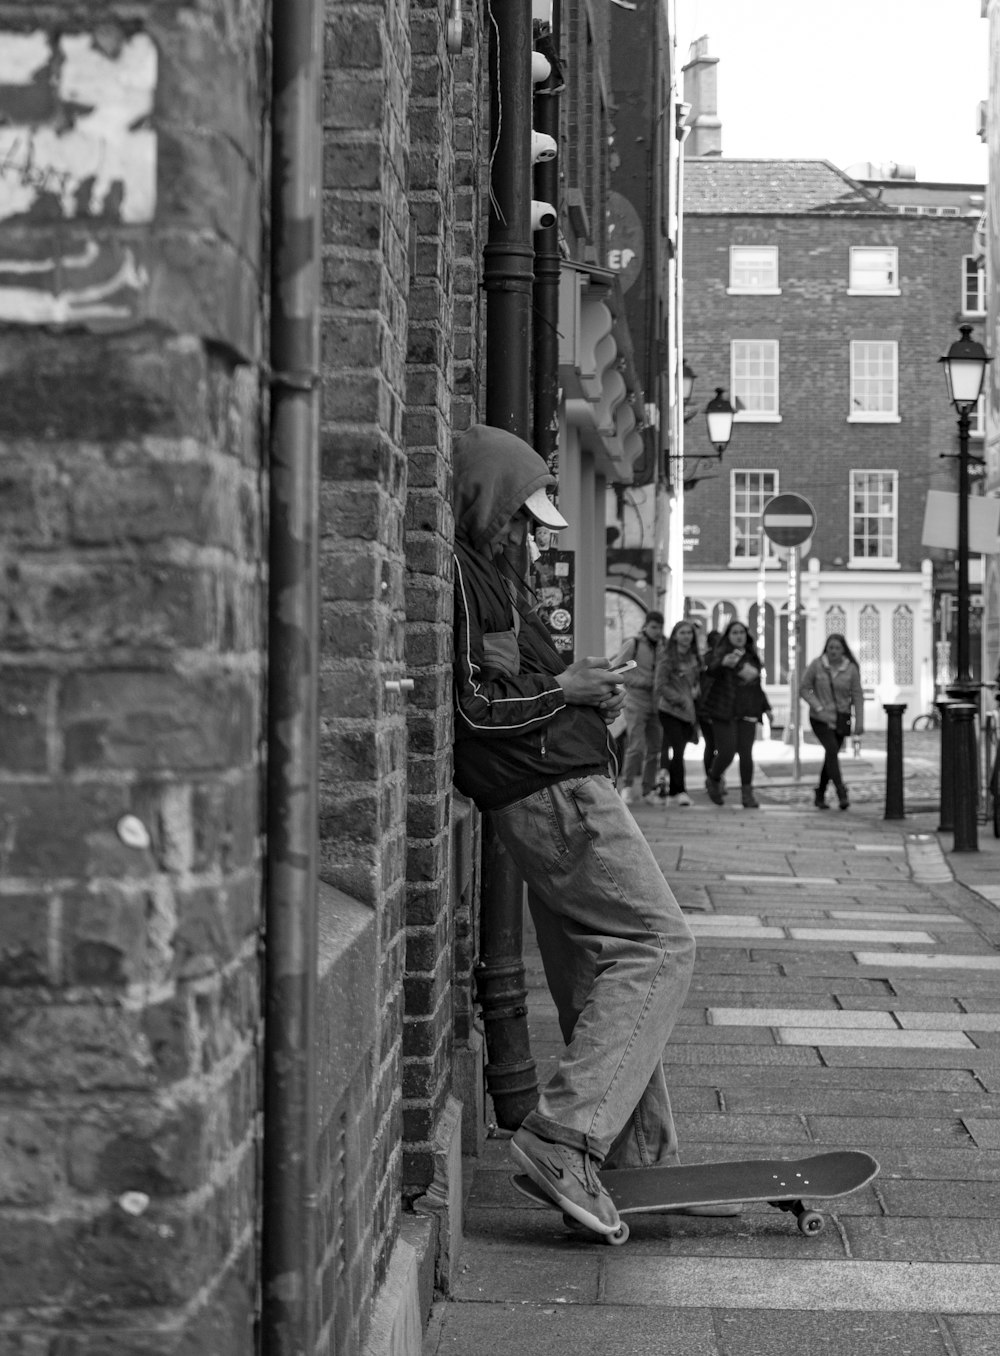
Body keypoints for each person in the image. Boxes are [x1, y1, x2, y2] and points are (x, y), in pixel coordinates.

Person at [451, 423, 709, 1238]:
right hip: (554, 795)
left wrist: (581, 691)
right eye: (522, 518)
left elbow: (515, 688)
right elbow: (470, 712)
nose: (532, 535)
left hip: (554, 786)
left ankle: (634, 1164)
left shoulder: (491, 576)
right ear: (486, 500)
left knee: (604, 964)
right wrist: (565, 688)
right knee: (660, 945)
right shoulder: (461, 579)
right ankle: (567, 1135)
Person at [701, 619, 771, 809]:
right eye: (734, 632)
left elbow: (757, 686)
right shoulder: (720, 654)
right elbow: (710, 672)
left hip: (747, 709)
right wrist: (723, 663)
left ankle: (747, 794)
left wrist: (767, 708)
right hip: (723, 709)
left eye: (741, 632)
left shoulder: (751, 656)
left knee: (747, 753)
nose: (739, 636)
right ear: (728, 636)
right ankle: (713, 778)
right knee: (727, 751)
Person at [799, 634, 865, 810]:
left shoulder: (850, 669)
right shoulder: (817, 665)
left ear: (843, 650)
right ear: (826, 649)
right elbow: (804, 688)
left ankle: (820, 794)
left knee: (831, 755)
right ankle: (841, 791)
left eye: (837, 648)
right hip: (819, 718)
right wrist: (818, 706)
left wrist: (859, 720)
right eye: (830, 647)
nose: (833, 651)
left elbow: (857, 695)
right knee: (831, 750)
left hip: (841, 720)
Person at [611, 610, 665, 806]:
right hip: (636, 702)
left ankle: (648, 789)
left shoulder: (663, 646)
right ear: (646, 626)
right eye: (654, 627)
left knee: (655, 748)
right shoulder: (633, 644)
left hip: (657, 704)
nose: (657, 631)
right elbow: (618, 669)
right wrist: (644, 681)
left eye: (660, 627)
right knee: (636, 746)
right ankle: (626, 787)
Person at [653, 620, 701, 806]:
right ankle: (680, 791)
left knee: (680, 750)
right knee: (678, 750)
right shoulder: (667, 657)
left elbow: (696, 681)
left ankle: (674, 790)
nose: (686, 636)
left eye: (689, 632)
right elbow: (660, 685)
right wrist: (680, 699)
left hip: (688, 712)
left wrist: (694, 692)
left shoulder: (694, 657)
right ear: (675, 635)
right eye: (682, 632)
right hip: (670, 710)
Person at [697, 628, 721, 792]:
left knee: (712, 745)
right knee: (715, 745)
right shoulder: (713, 660)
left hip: (708, 708)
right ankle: (713, 779)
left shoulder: (704, 659)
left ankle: (712, 778)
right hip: (709, 708)